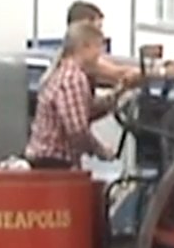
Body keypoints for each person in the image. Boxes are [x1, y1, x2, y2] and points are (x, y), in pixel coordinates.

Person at [24, 20, 122, 169]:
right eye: (98, 48)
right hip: (53, 164)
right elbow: (77, 130)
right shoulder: (72, 79)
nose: (100, 55)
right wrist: (101, 151)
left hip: (47, 161)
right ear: (85, 46)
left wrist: (118, 95)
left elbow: (85, 110)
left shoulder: (64, 73)